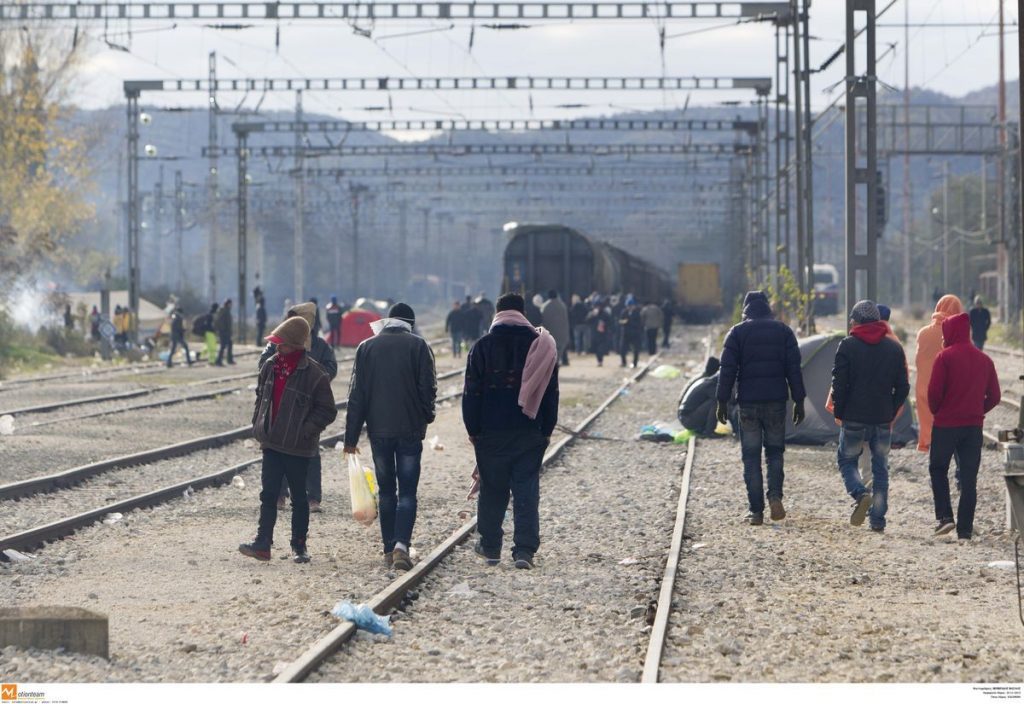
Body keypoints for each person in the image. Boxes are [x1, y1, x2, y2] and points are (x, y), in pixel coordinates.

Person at [463, 292, 558, 570]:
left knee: (493, 489)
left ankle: (491, 548)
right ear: (523, 313)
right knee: (526, 490)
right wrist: (547, 429)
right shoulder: (542, 345)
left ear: (497, 313)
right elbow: (551, 393)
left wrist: (473, 430)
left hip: (491, 431)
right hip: (530, 431)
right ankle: (524, 551)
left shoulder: (482, 347)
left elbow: (471, 393)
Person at [344, 303, 437, 572]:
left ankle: (388, 548)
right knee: (407, 492)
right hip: (409, 432)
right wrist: (426, 417)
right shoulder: (419, 346)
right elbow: (427, 388)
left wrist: (351, 438)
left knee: (386, 492)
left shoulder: (366, 347)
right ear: (410, 322)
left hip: (379, 432)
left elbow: (357, 395)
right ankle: (401, 547)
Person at [239, 316, 338, 563]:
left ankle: (299, 546)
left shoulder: (315, 374)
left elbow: (327, 410)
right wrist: (258, 425)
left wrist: (306, 430)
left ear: (294, 345)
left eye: (280, 343)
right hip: (272, 443)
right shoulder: (270, 366)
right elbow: (261, 397)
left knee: (299, 498)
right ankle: (263, 544)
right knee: (268, 495)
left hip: (299, 448)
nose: (276, 347)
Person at [716, 291, 806, 525]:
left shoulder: (737, 332)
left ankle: (756, 511)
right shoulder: (784, 331)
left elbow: (727, 370)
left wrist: (721, 401)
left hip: (749, 404)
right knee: (775, 452)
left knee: (751, 457)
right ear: (768, 309)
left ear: (746, 310)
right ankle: (775, 496)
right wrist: (799, 400)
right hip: (776, 401)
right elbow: (794, 369)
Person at [830, 301, 910, 533]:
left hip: (854, 416)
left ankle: (859, 492)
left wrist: (840, 412)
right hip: (882, 418)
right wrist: (891, 410)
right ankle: (877, 519)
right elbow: (903, 387)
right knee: (881, 468)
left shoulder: (848, 345)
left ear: (856, 321)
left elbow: (839, 384)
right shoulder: (894, 348)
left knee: (847, 460)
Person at [928, 312, 1001, 540]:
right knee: (969, 478)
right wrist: (978, 411)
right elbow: (995, 396)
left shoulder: (944, 357)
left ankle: (945, 518)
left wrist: (938, 411)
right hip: (973, 428)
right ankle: (965, 530)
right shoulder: (984, 360)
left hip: (946, 426)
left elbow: (933, 394)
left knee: (938, 469)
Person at [260, 301, 338, 513]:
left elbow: (331, 367)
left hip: (308, 409)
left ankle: (313, 498)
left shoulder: (321, 346)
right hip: (280, 408)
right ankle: (279, 496)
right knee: (277, 453)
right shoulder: (277, 343)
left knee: (311, 453)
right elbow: (264, 365)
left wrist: (314, 381)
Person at [916, 295, 964, 453]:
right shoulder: (958, 334)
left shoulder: (923, 333)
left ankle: (931, 453)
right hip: (947, 388)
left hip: (924, 388)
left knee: (931, 433)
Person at [678, 357, 727, 437]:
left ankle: (704, 429)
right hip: (687, 419)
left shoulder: (707, 380)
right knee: (717, 402)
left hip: (685, 416)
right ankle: (710, 431)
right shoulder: (711, 385)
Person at [540, 289, 571, 367]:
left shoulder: (545, 307)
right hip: (562, 335)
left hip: (551, 335)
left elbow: (544, 322)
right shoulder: (562, 306)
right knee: (558, 353)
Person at [618, 297, 644, 368]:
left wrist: (629, 322)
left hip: (634, 333)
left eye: (631, 306)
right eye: (628, 306)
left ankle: (635, 363)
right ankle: (623, 362)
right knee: (622, 349)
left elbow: (639, 324)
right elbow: (620, 321)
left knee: (635, 349)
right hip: (625, 333)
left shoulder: (637, 313)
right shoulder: (624, 312)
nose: (629, 307)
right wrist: (623, 322)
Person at [586, 298, 613, 367]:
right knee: (596, 348)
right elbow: (587, 321)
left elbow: (610, 322)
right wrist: (593, 315)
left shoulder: (605, 314)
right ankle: (599, 360)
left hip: (603, 334)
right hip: (594, 334)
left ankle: (600, 361)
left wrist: (604, 324)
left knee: (600, 349)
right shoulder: (593, 313)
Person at [214, 299, 235, 366]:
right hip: (224, 332)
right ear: (228, 304)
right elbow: (221, 322)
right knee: (223, 346)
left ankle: (229, 359)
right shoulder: (223, 311)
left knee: (229, 344)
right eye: (230, 304)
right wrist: (223, 330)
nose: (231, 305)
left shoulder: (226, 310)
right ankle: (218, 361)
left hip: (226, 332)